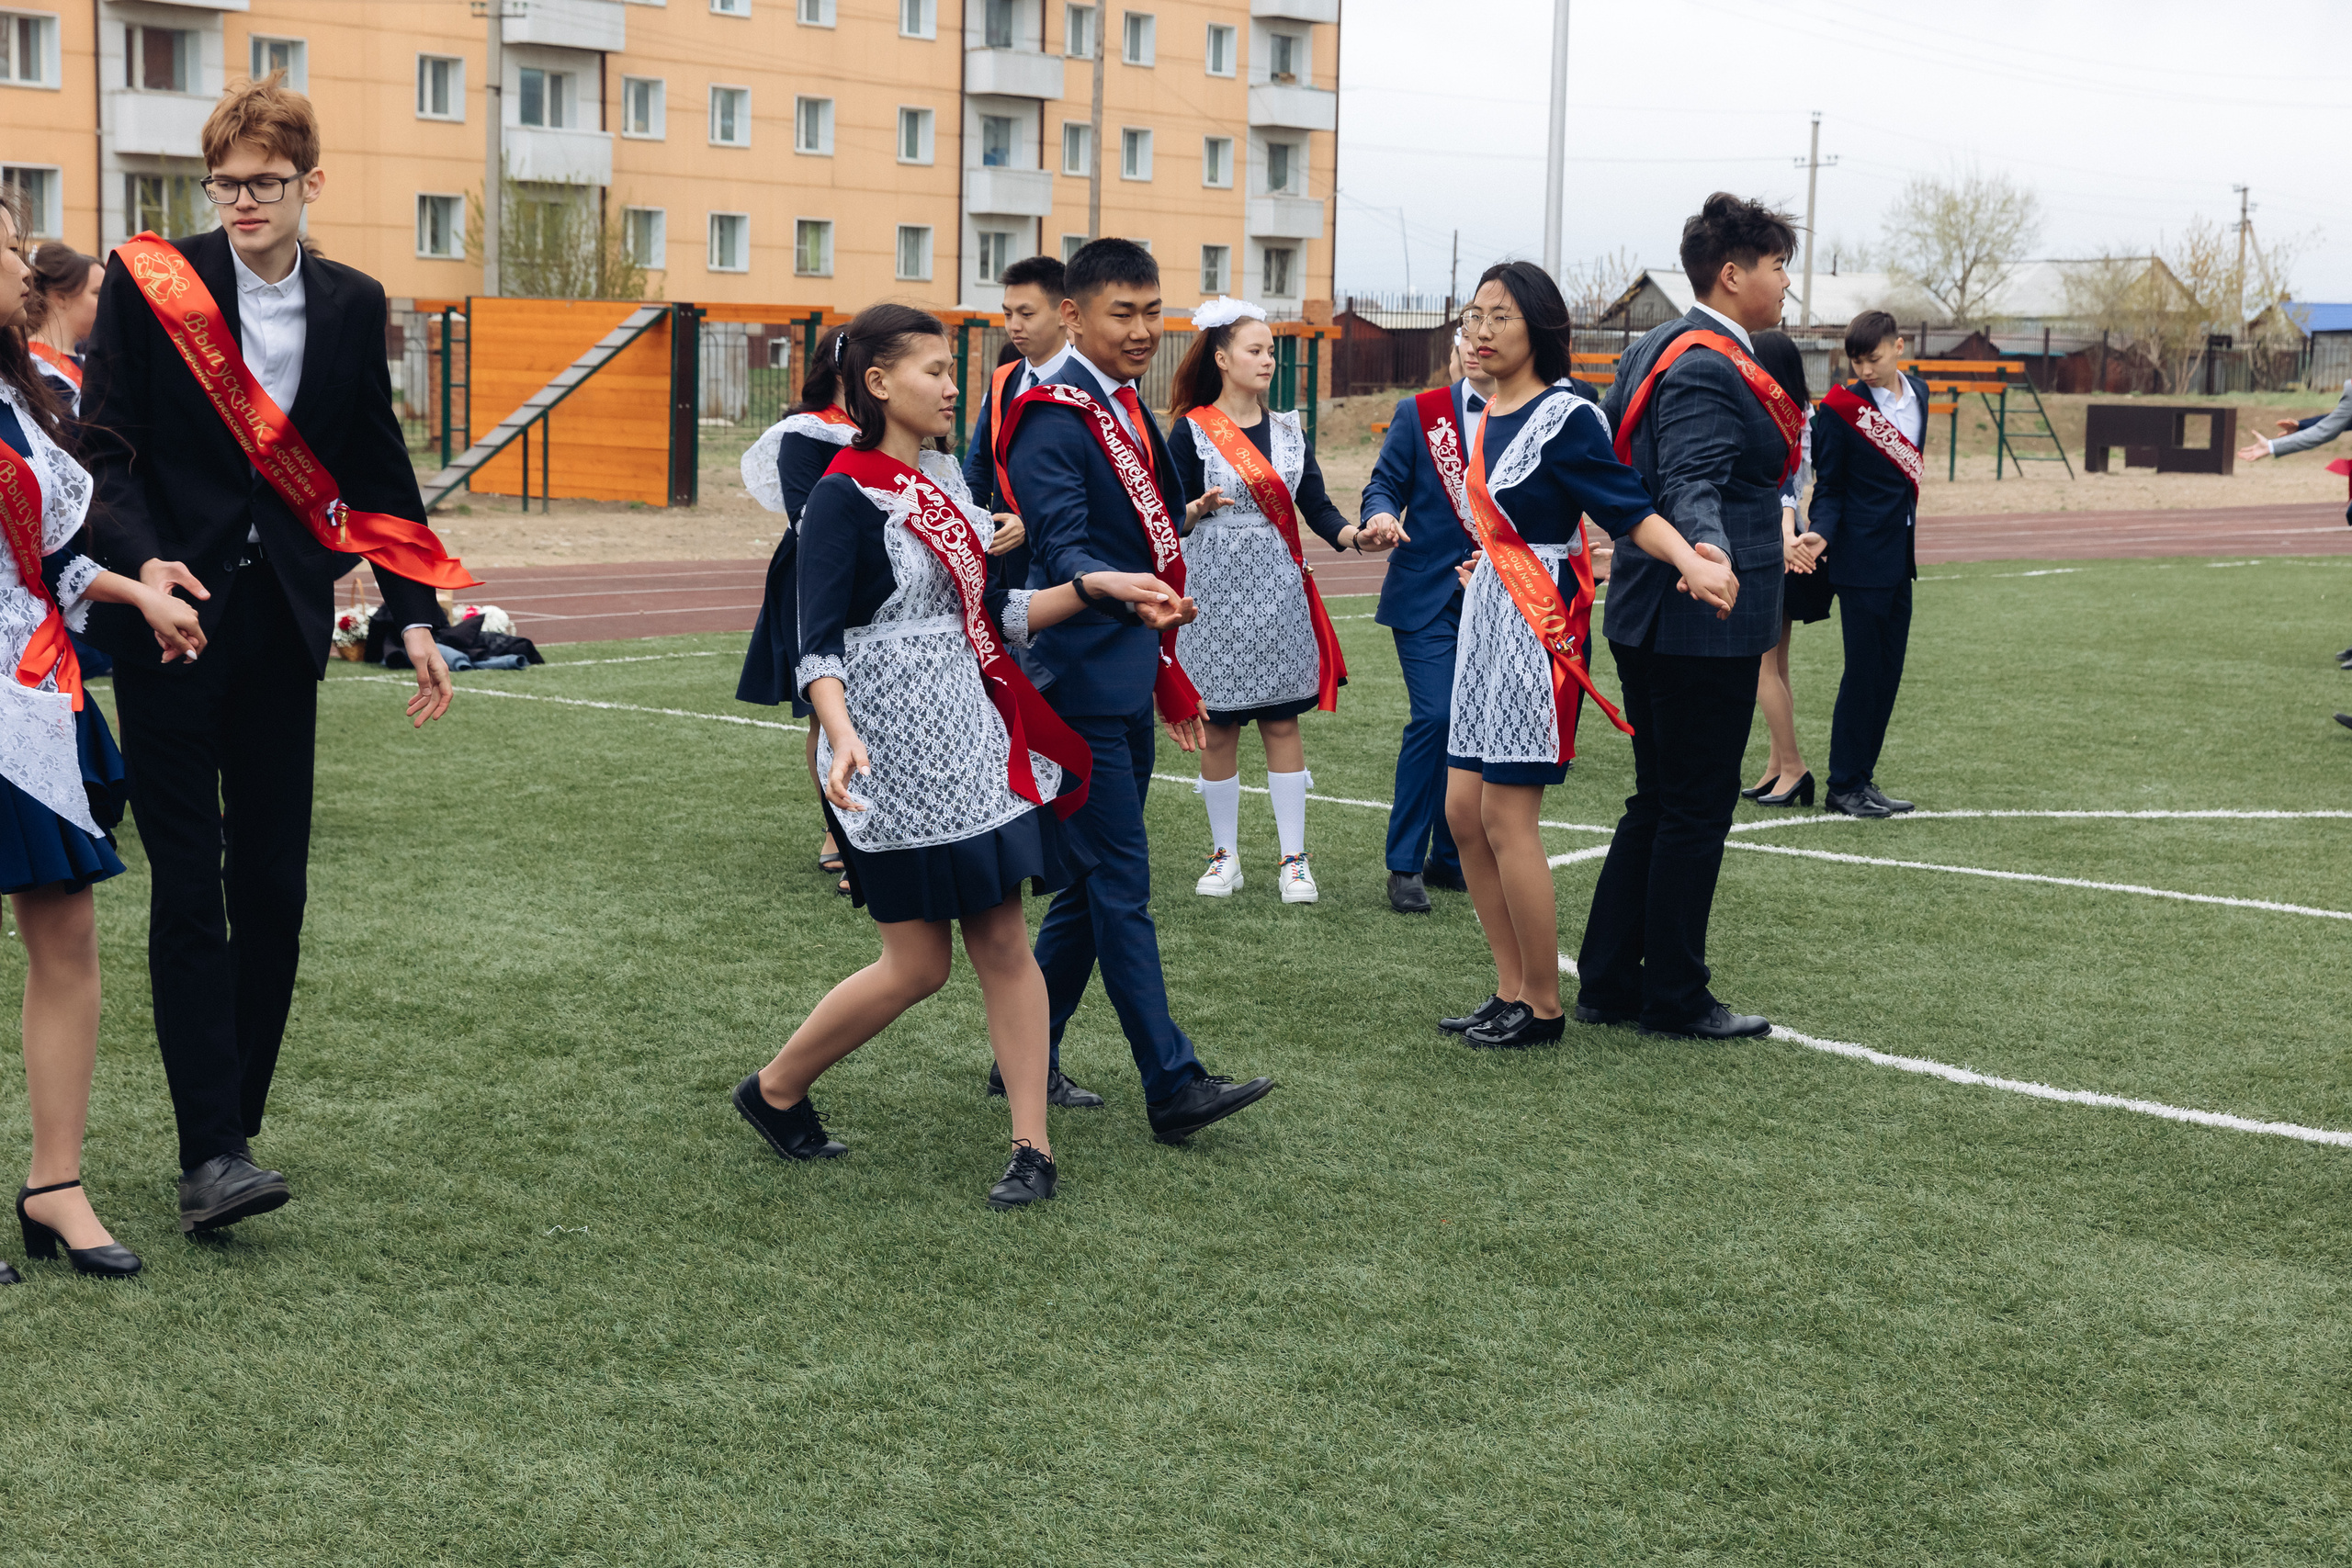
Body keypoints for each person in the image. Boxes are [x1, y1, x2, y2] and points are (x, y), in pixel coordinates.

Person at [79, 73, 467, 1235]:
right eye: (224, 184)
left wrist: (412, 614)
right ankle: (213, 1153)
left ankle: (228, 1129)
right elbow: (104, 446)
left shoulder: (352, 301)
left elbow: (374, 465)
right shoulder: (159, 286)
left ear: (311, 184)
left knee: (277, 889)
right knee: (189, 886)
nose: (240, 201)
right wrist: (144, 567)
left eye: (262, 183)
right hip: (171, 619)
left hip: (283, 621)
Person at [731, 303, 1187, 1209]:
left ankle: (1032, 1148)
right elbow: (812, 643)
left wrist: (1098, 588)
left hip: (971, 743)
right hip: (887, 757)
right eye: (933, 370)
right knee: (917, 967)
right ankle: (774, 1089)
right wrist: (842, 728)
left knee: (1002, 941)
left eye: (951, 370)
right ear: (876, 382)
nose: (951, 386)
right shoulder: (840, 494)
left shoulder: (938, 487)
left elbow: (995, 619)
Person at [997, 237, 1278, 1142]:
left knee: (1084, 889)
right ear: (1071, 315)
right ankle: (1173, 1083)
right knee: (1119, 882)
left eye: (1154, 311)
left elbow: (1147, 532)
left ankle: (1022, 1061)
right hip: (1076, 679)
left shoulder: (1121, 405)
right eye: (1123, 312)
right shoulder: (1051, 414)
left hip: (1126, 667)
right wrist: (1114, 588)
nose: (1144, 330)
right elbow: (1066, 545)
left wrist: (1163, 663)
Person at [0, 194, 209, 1282]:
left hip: (33, 696)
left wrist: (140, 594)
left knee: (67, 935)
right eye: (0, 248)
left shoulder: (21, 396)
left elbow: (42, 560)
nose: (21, 263)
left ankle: (55, 1184)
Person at [1434, 262, 1684, 1050]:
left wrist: (1693, 561)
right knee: (1463, 814)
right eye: (1474, 316)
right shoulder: (1485, 411)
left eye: (1498, 317)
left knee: (1509, 818)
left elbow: (1625, 506)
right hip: (1487, 617)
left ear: (1540, 329)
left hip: (1537, 627)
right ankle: (1508, 985)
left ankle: (1542, 1004)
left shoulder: (1566, 414)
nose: (1479, 331)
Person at [1576, 191, 1798, 1042]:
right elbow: (1691, 484)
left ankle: (1608, 977)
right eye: (1778, 267)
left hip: (1651, 611)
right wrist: (1706, 557)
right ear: (1735, 274)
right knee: (1695, 807)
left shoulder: (1655, 344)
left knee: (1659, 801)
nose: (1786, 284)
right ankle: (1673, 992)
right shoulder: (1708, 361)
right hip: (1697, 615)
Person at [1169, 295, 1394, 905]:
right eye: (1256, 350)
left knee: (1281, 720)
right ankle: (1226, 857)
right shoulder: (1189, 430)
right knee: (1217, 728)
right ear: (1221, 357)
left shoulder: (1290, 431)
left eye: (1271, 350)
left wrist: (1355, 536)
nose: (1268, 359)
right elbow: (1165, 519)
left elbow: (1316, 507)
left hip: (1276, 592)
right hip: (1211, 593)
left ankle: (1294, 860)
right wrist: (1196, 508)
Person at [1355, 333, 1494, 913]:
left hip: (1501, 599)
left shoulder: (1544, 411)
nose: (1476, 343)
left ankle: (1451, 856)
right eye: (1469, 331)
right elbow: (1382, 483)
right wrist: (1382, 511)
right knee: (1436, 717)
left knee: (1477, 729)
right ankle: (1405, 863)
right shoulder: (1421, 412)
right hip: (1427, 596)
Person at [740, 333, 867, 897]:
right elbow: (805, 514)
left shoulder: (890, 427)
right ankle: (838, 827)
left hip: (884, 579)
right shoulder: (805, 429)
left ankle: (877, 823)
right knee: (828, 702)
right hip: (818, 575)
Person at [1809, 310, 1928, 819]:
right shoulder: (1841, 408)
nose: (1864, 369)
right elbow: (1830, 484)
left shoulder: (1920, 394)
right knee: (1862, 673)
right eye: (1856, 360)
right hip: (1857, 560)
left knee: (1888, 673)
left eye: (1873, 358)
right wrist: (1819, 533)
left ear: (1899, 346)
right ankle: (1843, 784)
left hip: (1900, 556)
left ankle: (1864, 777)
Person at [1742, 329, 1825, 808]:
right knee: (1777, 665)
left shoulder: (1779, 416)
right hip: (1785, 541)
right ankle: (1777, 766)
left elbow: (1784, 486)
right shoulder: (1801, 413)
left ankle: (1792, 766)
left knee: (1762, 668)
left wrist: (1786, 536)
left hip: (1774, 543)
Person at [22, 243, 102, 413]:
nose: (107, 302)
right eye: (98, 293)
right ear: (61, 297)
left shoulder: (88, 360)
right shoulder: (34, 366)